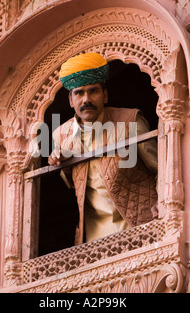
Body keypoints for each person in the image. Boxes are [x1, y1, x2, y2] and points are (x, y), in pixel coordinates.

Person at [48, 52, 159, 244]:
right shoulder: (60, 134)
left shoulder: (130, 121)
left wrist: (163, 202)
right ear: (70, 100)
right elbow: (73, 184)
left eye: (93, 91)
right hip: (94, 236)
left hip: (139, 224)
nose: (86, 99)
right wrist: (61, 162)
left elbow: (159, 167)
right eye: (79, 93)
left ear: (105, 95)